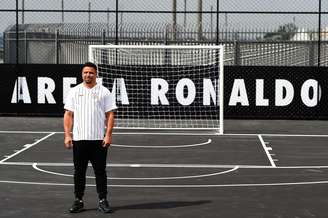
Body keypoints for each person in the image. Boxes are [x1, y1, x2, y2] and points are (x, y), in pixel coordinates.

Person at [63, 62, 117, 213]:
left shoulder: (104, 92)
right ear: (82, 74)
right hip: (79, 139)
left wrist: (108, 135)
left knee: (100, 171)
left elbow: (110, 114)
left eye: (91, 73)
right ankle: (78, 200)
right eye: (85, 72)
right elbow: (68, 114)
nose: (88, 75)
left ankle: (102, 200)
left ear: (96, 74)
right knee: (79, 172)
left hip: (98, 140)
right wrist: (67, 135)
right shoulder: (74, 91)